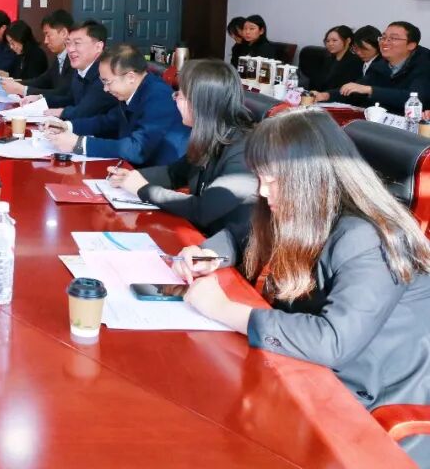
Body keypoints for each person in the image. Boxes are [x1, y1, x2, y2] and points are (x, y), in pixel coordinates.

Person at [172, 110, 430, 465]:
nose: (263, 190)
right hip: (307, 375)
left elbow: (333, 342)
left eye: (272, 180)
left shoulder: (369, 236)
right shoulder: (308, 208)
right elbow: (243, 236)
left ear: (309, 175)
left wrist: (223, 310)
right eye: (259, 177)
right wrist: (208, 254)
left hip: (363, 406)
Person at [108, 59, 257, 239]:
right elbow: (173, 174)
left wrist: (143, 189)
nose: (175, 99)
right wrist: (131, 177)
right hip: (200, 238)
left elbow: (203, 210)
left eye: (180, 95)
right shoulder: (210, 136)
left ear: (200, 103)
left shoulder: (243, 152)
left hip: (225, 248)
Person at [46, 43, 189, 167]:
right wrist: (68, 126)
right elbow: (107, 121)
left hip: (160, 175)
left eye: (107, 82)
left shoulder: (159, 96)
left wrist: (79, 144)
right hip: (131, 169)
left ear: (130, 77)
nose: (105, 89)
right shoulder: (133, 90)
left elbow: (137, 149)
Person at [326, 21, 430, 113]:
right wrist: (326, 95)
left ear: (411, 45)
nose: (384, 42)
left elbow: (415, 99)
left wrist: (371, 90)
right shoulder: (381, 64)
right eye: (383, 38)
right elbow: (358, 87)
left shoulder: (425, 64)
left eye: (393, 38)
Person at [0, 10, 74, 101]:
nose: (45, 41)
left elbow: (63, 93)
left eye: (48, 35)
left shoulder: (74, 59)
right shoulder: (60, 57)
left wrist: (22, 89)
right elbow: (41, 80)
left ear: (64, 33)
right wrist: (15, 83)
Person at [305, 25, 362, 92]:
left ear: (348, 41)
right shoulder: (326, 59)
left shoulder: (355, 61)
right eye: (327, 41)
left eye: (334, 40)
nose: (330, 44)